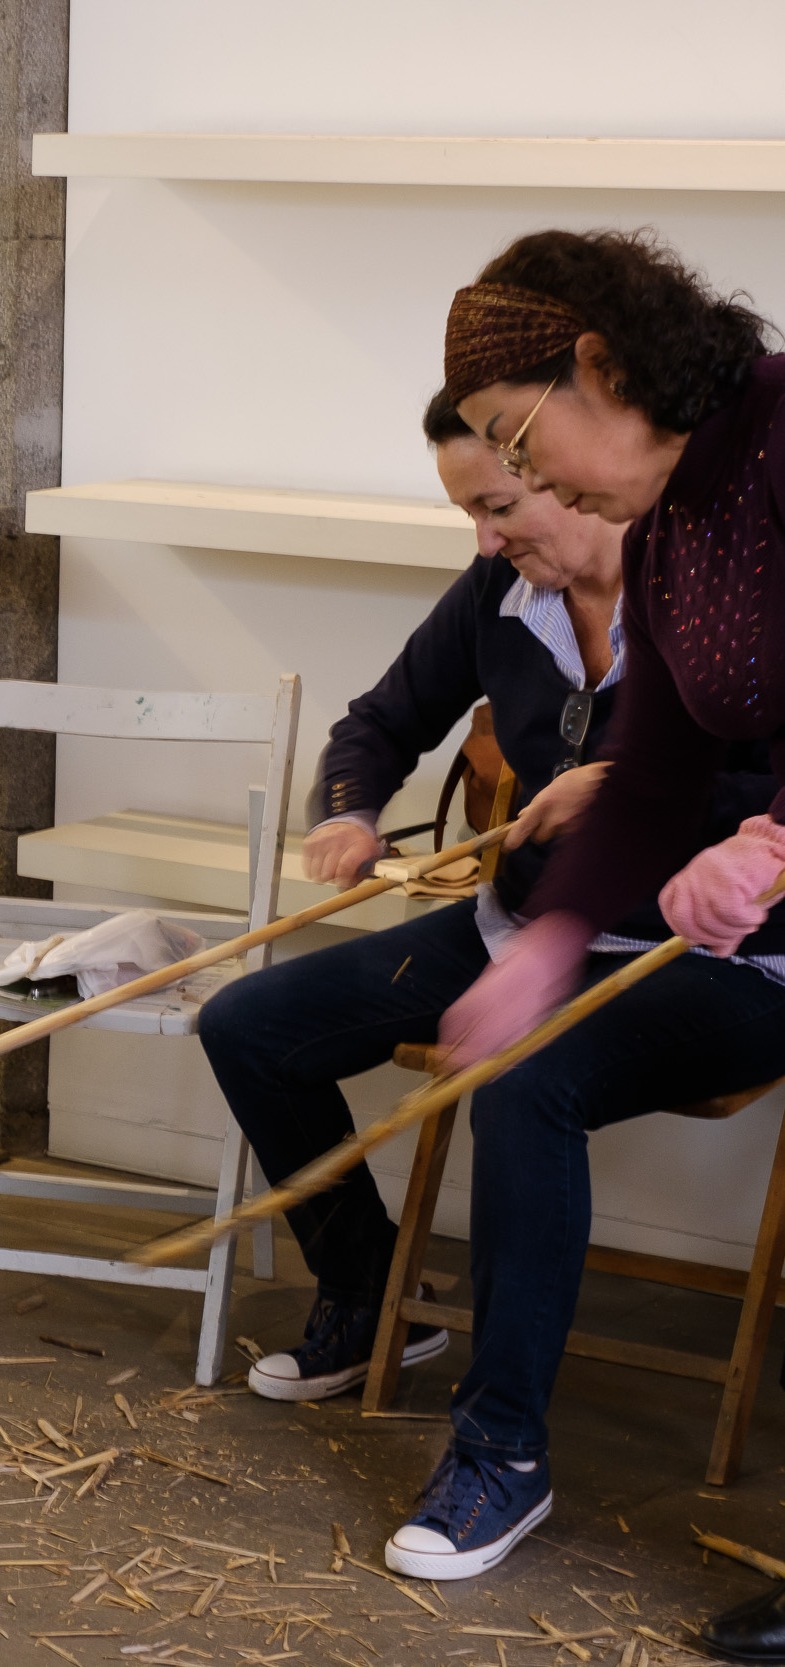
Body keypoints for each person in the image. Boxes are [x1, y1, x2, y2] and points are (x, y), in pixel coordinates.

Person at [197, 382, 785, 1583]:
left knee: (525, 1084)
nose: (486, 536)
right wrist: (351, 812)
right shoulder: (496, 595)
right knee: (250, 1020)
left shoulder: (720, 591)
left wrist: (621, 787)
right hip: (520, 930)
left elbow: (746, 792)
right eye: (469, 511)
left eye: (500, 504)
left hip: (717, 963)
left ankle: (500, 1451)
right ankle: (369, 1299)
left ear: (575, 470)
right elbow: (378, 720)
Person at [433, 232, 785, 1659]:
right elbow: (650, 771)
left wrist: (770, 842)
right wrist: (551, 936)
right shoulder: (679, 515)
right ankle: (497, 1450)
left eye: (524, 439)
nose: (541, 484)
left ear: (604, 365)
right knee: (538, 1065)